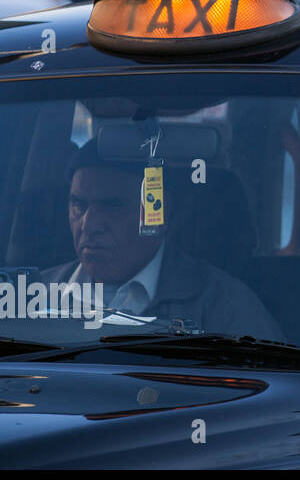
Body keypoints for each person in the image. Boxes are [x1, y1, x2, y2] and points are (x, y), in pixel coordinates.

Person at [42, 142, 284, 341]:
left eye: (113, 205)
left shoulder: (226, 307)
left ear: (158, 212)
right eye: (79, 205)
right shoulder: (32, 296)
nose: (89, 225)